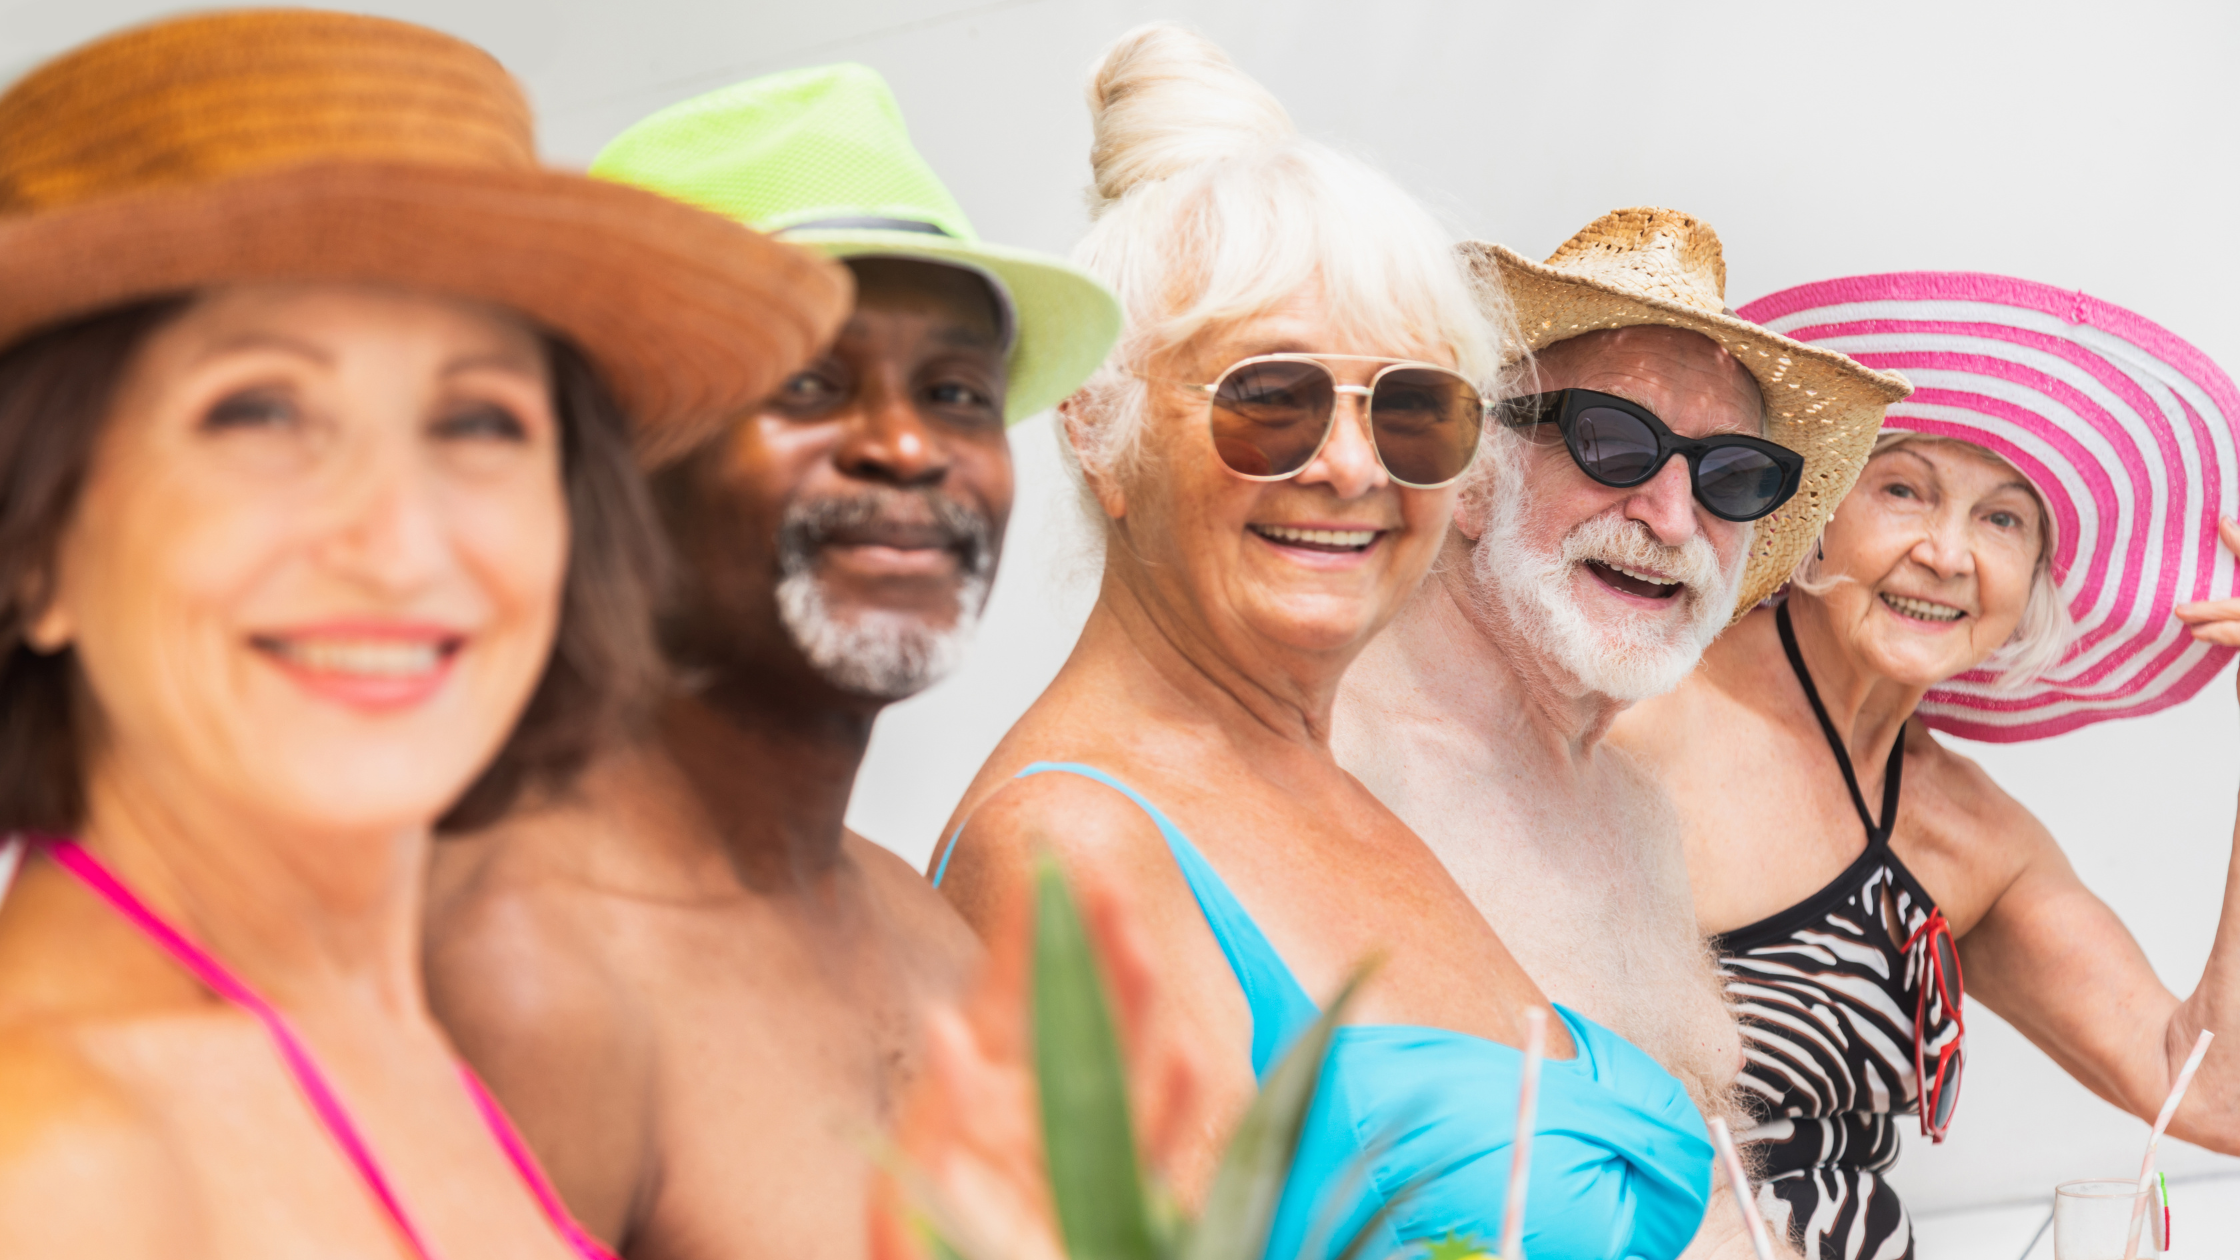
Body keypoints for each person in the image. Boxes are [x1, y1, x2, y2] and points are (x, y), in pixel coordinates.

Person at [0, 11, 846, 1259]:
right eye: (259, 412)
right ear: (33, 547)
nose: (398, 545)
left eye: (478, 423)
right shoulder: (58, 1158)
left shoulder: (388, 1042)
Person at [931, 29, 1714, 1260]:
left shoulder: (1315, 777)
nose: (1350, 467)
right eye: (1269, 398)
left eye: (1412, 410)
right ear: (1095, 424)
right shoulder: (1070, 855)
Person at [422, 64, 1121, 1260]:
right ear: (607, 467)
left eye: (956, 392)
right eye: (805, 381)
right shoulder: (525, 971)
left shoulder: (927, 932)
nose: (906, 446)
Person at [1611, 270, 2240, 1260]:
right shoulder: (1643, 714)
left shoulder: (1974, 838)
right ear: (1811, 510)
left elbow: (2209, 1093)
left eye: (2000, 520)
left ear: (2032, 578)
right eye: (1903, 490)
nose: (1946, 555)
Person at [1331, 207, 1911, 1259]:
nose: (1671, 514)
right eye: (1611, 440)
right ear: (1470, 471)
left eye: (1732, 474)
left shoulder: (1634, 807)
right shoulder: (1334, 758)